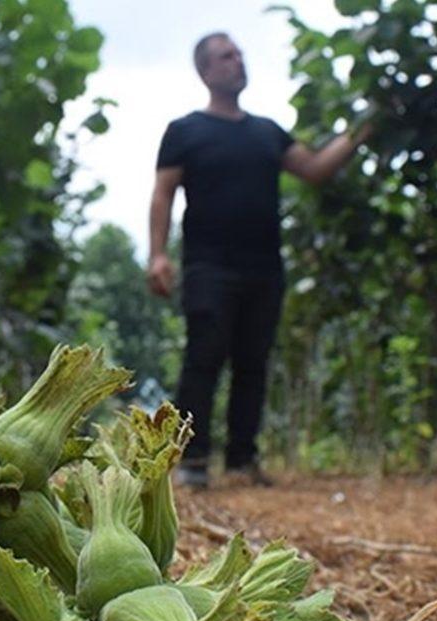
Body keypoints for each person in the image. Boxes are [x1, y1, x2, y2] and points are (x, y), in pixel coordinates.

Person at [147, 32, 374, 488]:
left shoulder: (267, 132)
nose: (238, 61)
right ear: (206, 71)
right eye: (227, 56)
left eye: (240, 53)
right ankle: (191, 462)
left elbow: (315, 169)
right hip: (207, 265)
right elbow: (163, 193)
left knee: (253, 361)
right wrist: (157, 254)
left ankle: (241, 460)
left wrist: (364, 127)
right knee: (204, 355)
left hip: (264, 267)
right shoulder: (185, 131)